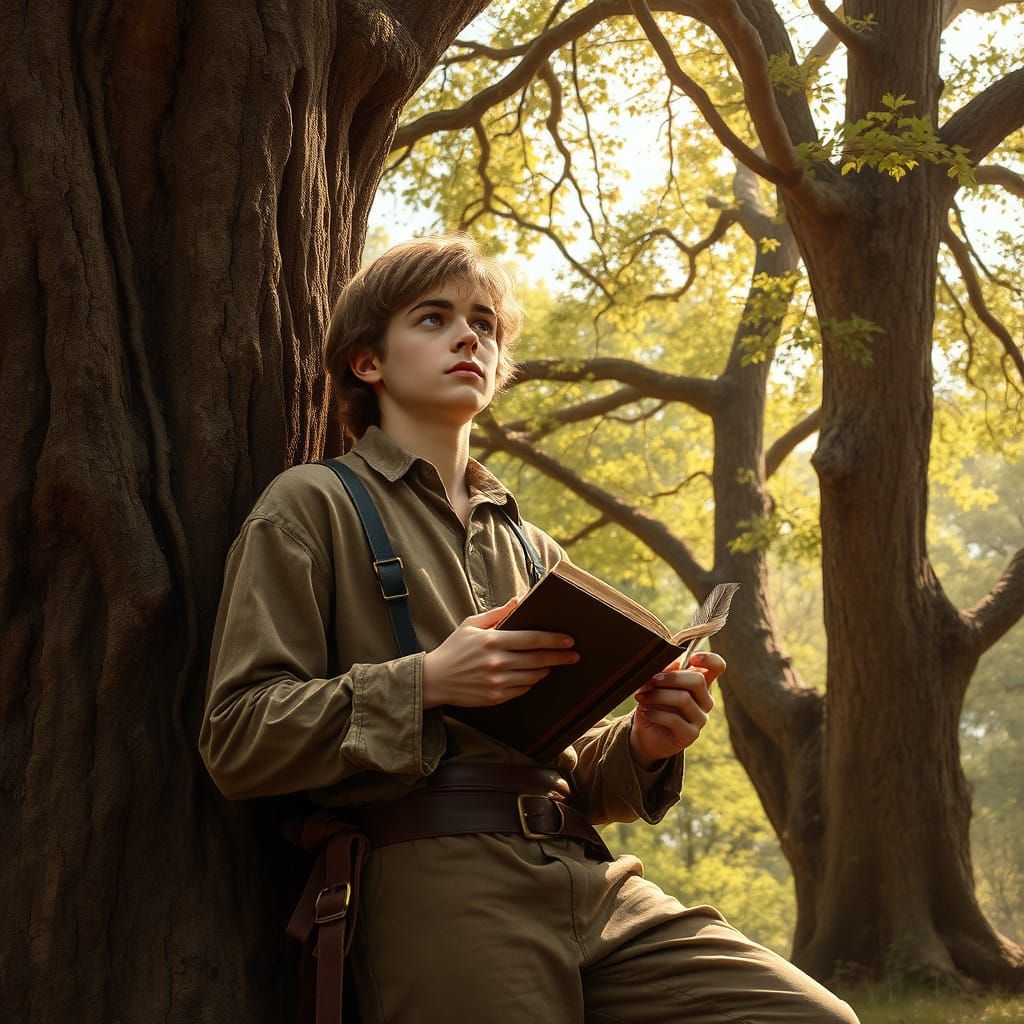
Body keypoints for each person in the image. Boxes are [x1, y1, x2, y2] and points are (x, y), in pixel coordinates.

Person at [200, 234, 858, 1024]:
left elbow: (567, 763)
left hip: (590, 875)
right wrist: (428, 681)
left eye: (483, 323)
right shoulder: (312, 506)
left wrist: (647, 743)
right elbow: (236, 734)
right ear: (367, 362)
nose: (468, 336)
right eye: (434, 319)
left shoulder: (532, 548)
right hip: (436, 881)